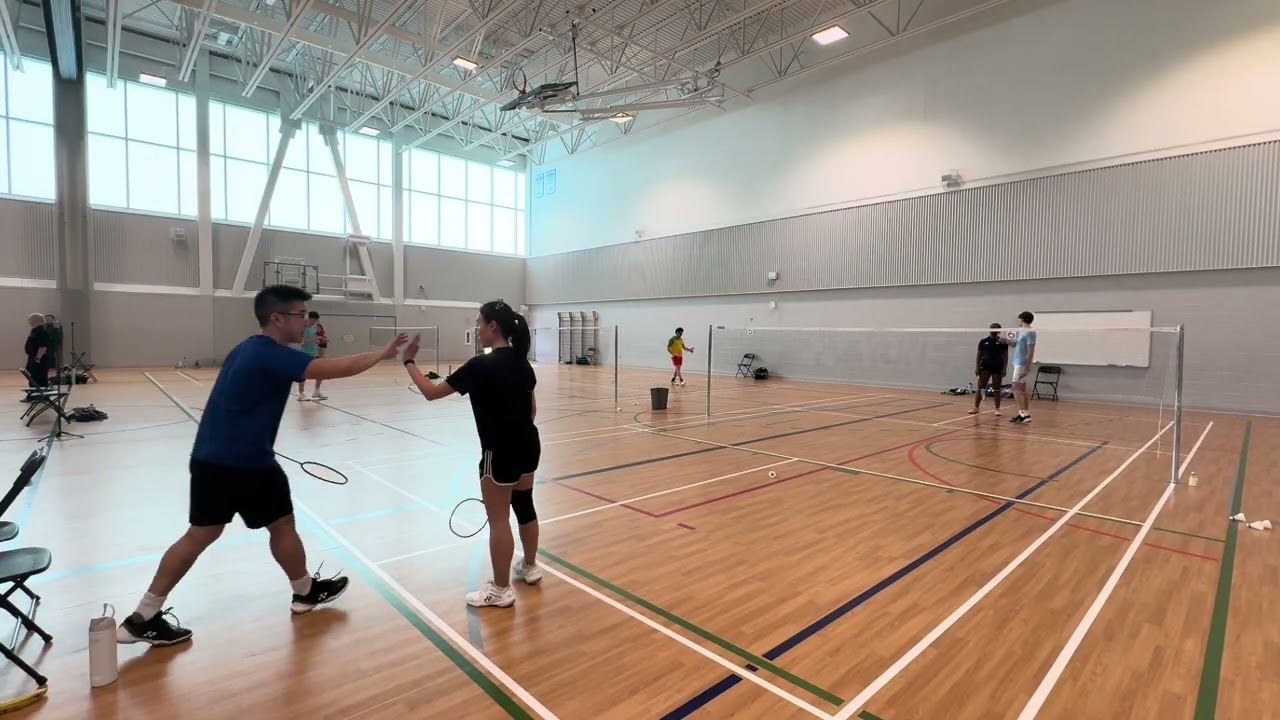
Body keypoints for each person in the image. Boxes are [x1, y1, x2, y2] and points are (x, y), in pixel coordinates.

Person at [117, 285, 408, 647]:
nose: (306, 321)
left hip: (213, 458)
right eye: (300, 315)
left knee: (221, 531)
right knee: (277, 525)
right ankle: (303, 591)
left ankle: (142, 617)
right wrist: (383, 353)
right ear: (277, 318)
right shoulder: (270, 355)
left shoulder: (245, 349)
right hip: (246, 464)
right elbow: (333, 368)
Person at [404, 301, 540, 609]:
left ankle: (501, 589)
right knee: (525, 505)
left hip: (499, 452)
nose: (476, 329)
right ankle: (530, 566)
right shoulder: (524, 364)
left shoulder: (480, 366)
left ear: (493, 327)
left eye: (479, 323)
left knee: (498, 519)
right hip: (529, 445)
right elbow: (532, 410)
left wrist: (409, 363)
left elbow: (430, 391)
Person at [970, 323, 1008, 416]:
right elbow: (979, 355)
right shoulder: (983, 341)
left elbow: (1006, 356)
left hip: (997, 367)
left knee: (997, 388)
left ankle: (997, 408)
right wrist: (977, 367)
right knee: (981, 387)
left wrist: (1004, 368)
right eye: (992, 329)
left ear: (999, 331)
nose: (994, 331)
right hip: (985, 367)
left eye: (996, 329)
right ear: (989, 330)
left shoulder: (1003, 342)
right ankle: (975, 407)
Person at [1007, 311, 1037, 424]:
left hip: (1021, 364)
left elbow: (1031, 351)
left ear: (1022, 319)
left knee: (1016, 389)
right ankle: (1024, 414)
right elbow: (1016, 344)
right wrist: (1007, 341)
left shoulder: (1030, 332)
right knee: (1022, 390)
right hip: (1017, 362)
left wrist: (1026, 367)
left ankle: (1023, 413)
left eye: (1019, 319)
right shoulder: (1021, 332)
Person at [296, 311, 327, 401]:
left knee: (321, 372)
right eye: (314, 320)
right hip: (305, 353)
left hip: (315, 354)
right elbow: (303, 342)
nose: (315, 322)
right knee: (303, 374)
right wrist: (316, 338)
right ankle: (301, 394)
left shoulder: (315, 329)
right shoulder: (304, 328)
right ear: (310, 318)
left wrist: (319, 341)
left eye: (316, 320)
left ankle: (316, 391)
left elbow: (315, 341)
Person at [23, 314, 52, 389]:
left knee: (39, 377)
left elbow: (43, 346)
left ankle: (41, 395)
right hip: (32, 357)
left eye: (30, 319)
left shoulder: (42, 331)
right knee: (31, 375)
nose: (28, 321)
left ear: (36, 320)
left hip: (39, 358)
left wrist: (38, 358)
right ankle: (32, 395)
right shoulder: (34, 330)